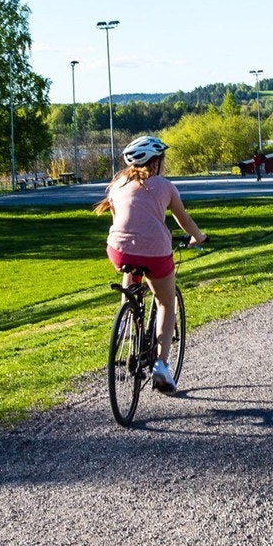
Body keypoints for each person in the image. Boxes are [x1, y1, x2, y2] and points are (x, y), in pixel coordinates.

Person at [94, 136, 206, 394]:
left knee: (130, 265)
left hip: (118, 251)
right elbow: (184, 220)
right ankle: (161, 367)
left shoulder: (116, 185)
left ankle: (126, 315)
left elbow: (121, 221)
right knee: (166, 301)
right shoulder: (165, 186)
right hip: (155, 253)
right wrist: (198, 237)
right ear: (155, 162)